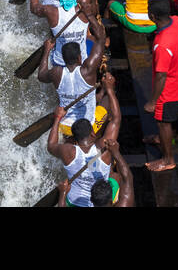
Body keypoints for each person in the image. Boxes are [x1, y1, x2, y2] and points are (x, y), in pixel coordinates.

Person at [44, 78, 121, 207]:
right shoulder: (103, 147)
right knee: (116, 177)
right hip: (99, 201)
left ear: (74, 138)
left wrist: (57, 118)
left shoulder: (68, 151)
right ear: (92, 133)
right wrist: (110, 90)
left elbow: (51, 146)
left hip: (73, 202)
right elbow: (116, 120)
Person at [144, 0, 178, 172]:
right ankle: (159, 138)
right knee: (161, 122)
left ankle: (167, 159)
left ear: (153, 17)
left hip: (169, 91)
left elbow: (161, 76)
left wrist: (153, 101)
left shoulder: (161, 45)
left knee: (163, 122)